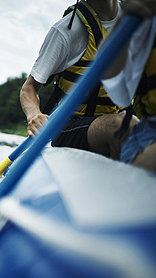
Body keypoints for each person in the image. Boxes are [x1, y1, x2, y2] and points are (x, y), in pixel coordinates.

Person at [20, 0, 137, 159]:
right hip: (70, 126)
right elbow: (29, 88)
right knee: (123, 126)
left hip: (123, 116)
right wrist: (34, 115)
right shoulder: (65, 30)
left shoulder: (137, 17)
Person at [102, 0, 156, 173]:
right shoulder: (148, 12)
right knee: (117, 123)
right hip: (151, 134)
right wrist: (124, 21)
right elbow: (119, 94)